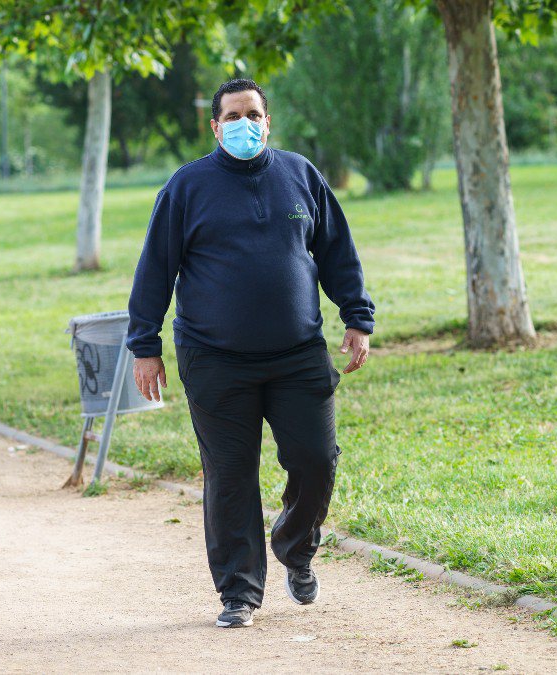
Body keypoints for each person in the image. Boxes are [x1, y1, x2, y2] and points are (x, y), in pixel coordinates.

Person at [124, 78, 375, 628]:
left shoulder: (300, 175)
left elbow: (337, 251)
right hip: (215, 359)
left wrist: (357, 317)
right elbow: (154, 271)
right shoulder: (186, 188)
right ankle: (239, 593)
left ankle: (295, 547)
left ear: (268, 121)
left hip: (298, 353)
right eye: (232, 116)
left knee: (315, 460)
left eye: (252, 114)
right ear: (215, 127)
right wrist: (145, 346)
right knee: (231, 475)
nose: (244, 124)